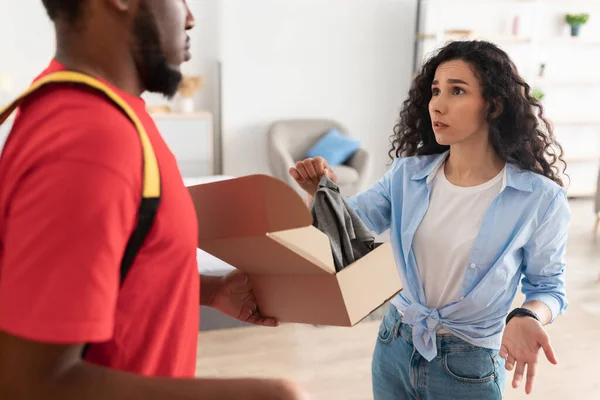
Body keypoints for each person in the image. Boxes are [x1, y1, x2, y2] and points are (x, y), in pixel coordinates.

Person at [0, 1, 308, 399]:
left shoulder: (111, 115)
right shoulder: (89, 139)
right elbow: (29, 383)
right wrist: (268, 395)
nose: (191, 17)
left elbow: (107, 265)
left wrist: (207, 291)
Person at [290, 40, 570, 399]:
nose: (438, 103)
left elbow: (548, 287)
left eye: (457, 91)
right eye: (435, 90)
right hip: (395, 343)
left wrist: (528, 317)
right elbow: (349, 230)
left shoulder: (540, 199)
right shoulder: (407, 176)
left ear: (494, 105)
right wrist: (321, 193)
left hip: (470, 362)